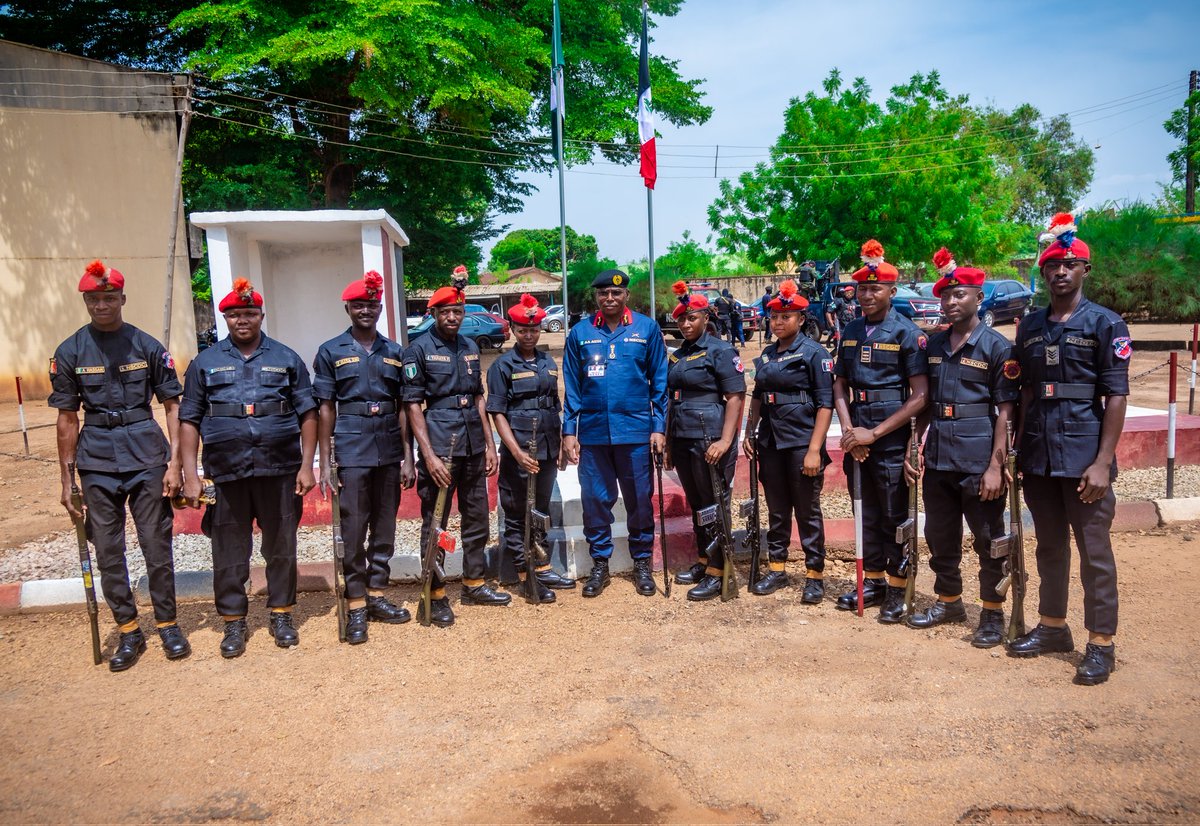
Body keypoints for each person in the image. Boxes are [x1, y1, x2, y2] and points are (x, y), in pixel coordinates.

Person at [49, 260, 188, 671]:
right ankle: (128, 630)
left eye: (109, 297)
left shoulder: (147, 347)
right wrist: (66, 480)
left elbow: (172, 406)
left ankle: (168, 624)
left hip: (146, 455)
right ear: (86, 301)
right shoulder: (69, 351)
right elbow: (67, 418)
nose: (101, 305)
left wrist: (175, 463)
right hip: (97, 460)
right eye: (94, 298)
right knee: (108, 551)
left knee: (156, 547)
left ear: (122, 299)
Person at [1008, 213, 1130, 685]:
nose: (1060, 271)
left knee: (1094, 552)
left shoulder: (1106, 324)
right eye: (1052, 265)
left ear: (1085, 270)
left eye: (1070, 264)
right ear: (1042, 272)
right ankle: (1054, 628)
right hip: (1039, 453)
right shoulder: (1031, 326)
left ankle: (1101, 642)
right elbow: (1023, 391)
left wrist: (1102, 463)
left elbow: (1115, 395)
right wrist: (1015, 449)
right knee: (1050, 548)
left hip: (1084, 456)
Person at [179, 278, 318, 657]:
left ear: (261, 315)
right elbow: (189, 419)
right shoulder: (205, 362)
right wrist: (190, 475)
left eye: (250, 313)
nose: (243, 319)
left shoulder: (286, 358)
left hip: (280, 470)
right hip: (227, 473)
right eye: (235, 314)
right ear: (225, 317)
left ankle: (281, 614)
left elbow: (309, 413)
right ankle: (233, 621)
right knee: (229, 551)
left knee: (281, 547)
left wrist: (307, 466)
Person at [903, 249, 1018, 646]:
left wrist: (995, 466)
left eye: (960, 295)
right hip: (939, 459)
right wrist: (914, 447)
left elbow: (1006, 411)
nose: (951, 302)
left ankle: (992, 612)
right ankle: (949, 600)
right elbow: (927, 405)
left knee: (988, 538)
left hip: (978, 456)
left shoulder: (996, 347)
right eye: (946, 296)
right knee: (939, 534)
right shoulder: (933, 346)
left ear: (978, 298)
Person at [313, 271, 415, 645]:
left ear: (381, 307)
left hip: (388, 444)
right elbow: (325, 408)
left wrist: (408, 456)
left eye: (372, 304)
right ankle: (355, 602)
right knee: (353, 530)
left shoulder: (395, 352)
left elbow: (404, 406)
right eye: (359, 304)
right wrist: (326, 461)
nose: (366, 310)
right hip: (352, 444)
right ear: (348, 307)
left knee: (385, 526)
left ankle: (376, 595)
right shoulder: (331, 351)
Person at [833, 240, 929, 622]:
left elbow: (921, 395)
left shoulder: (907, 333)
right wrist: (851, 429)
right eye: (862, 288)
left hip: (889, 434)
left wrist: (875, 434)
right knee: (865, 511)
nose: (868, 294)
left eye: (876, 288)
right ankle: (870, 580)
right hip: (857, 426)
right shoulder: (851, 328)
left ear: (892, 290)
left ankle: (896, 585)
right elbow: (838, 383)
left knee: (892, 514)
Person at [403, 279, 506, 627]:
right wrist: (427, 456)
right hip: (440, 446)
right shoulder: (418, 349)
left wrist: (491, 443)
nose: (452, 316)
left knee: (476, 517)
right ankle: (434, 592)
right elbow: (414, 406)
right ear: (433, 313)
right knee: (437, 522)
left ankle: (474, 583)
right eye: (446, 311)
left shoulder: (469, 347)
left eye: (458, 311)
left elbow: (479, 397)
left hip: (474, 445)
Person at [561, 269, 668, 597]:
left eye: (616, 294)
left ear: (627, 296)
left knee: (639, 501)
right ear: (596, 297)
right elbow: (572, 388)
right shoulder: (579, 333)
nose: (610, 298)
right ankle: (600, 564)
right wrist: (569, 431)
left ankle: (641, 563)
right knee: (595, 501)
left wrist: (659, 427)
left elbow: (659, 383)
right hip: (592, 436)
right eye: (603, 293)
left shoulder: (646, 329)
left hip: (635, 433)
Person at [743, 281, 834, 602]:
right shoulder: (767, 353)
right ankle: (777, 569)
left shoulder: (815, 353)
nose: (778, 322)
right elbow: (757, 397)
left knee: (807, 511)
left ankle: (814, 575)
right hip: (770, 443)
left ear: (801, 318)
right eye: (774, 317)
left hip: (801, 442)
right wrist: (748, 430)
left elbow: (826, 403)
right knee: (778, 509)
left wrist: (814, 450)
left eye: (786, 316)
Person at [486, 295, 575, 603]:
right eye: (523, 329)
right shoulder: (501, 366)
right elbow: (497, 413)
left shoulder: (547, 361)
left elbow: (555, 404)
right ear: (512, 329)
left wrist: (563, 441)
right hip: (520, 451)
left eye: (534, 329)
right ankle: (525, 576)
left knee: (540, 510)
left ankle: (544, 566)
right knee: (517, 513)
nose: (528, 334)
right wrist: (515, 452)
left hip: (547, 447)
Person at [663, 282, 746, 601]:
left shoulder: (721, 350)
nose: (686, 324)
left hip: (711, 436)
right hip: (684, 437)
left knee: (715, 501)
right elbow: (673, 399)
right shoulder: (678, 355)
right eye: (682, 319)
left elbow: (736, 397)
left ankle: (719, 568)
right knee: (698, 502)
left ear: (706, 317)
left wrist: (726, 440)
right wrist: (670, 443)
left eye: (692, 318)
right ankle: (704, 558)